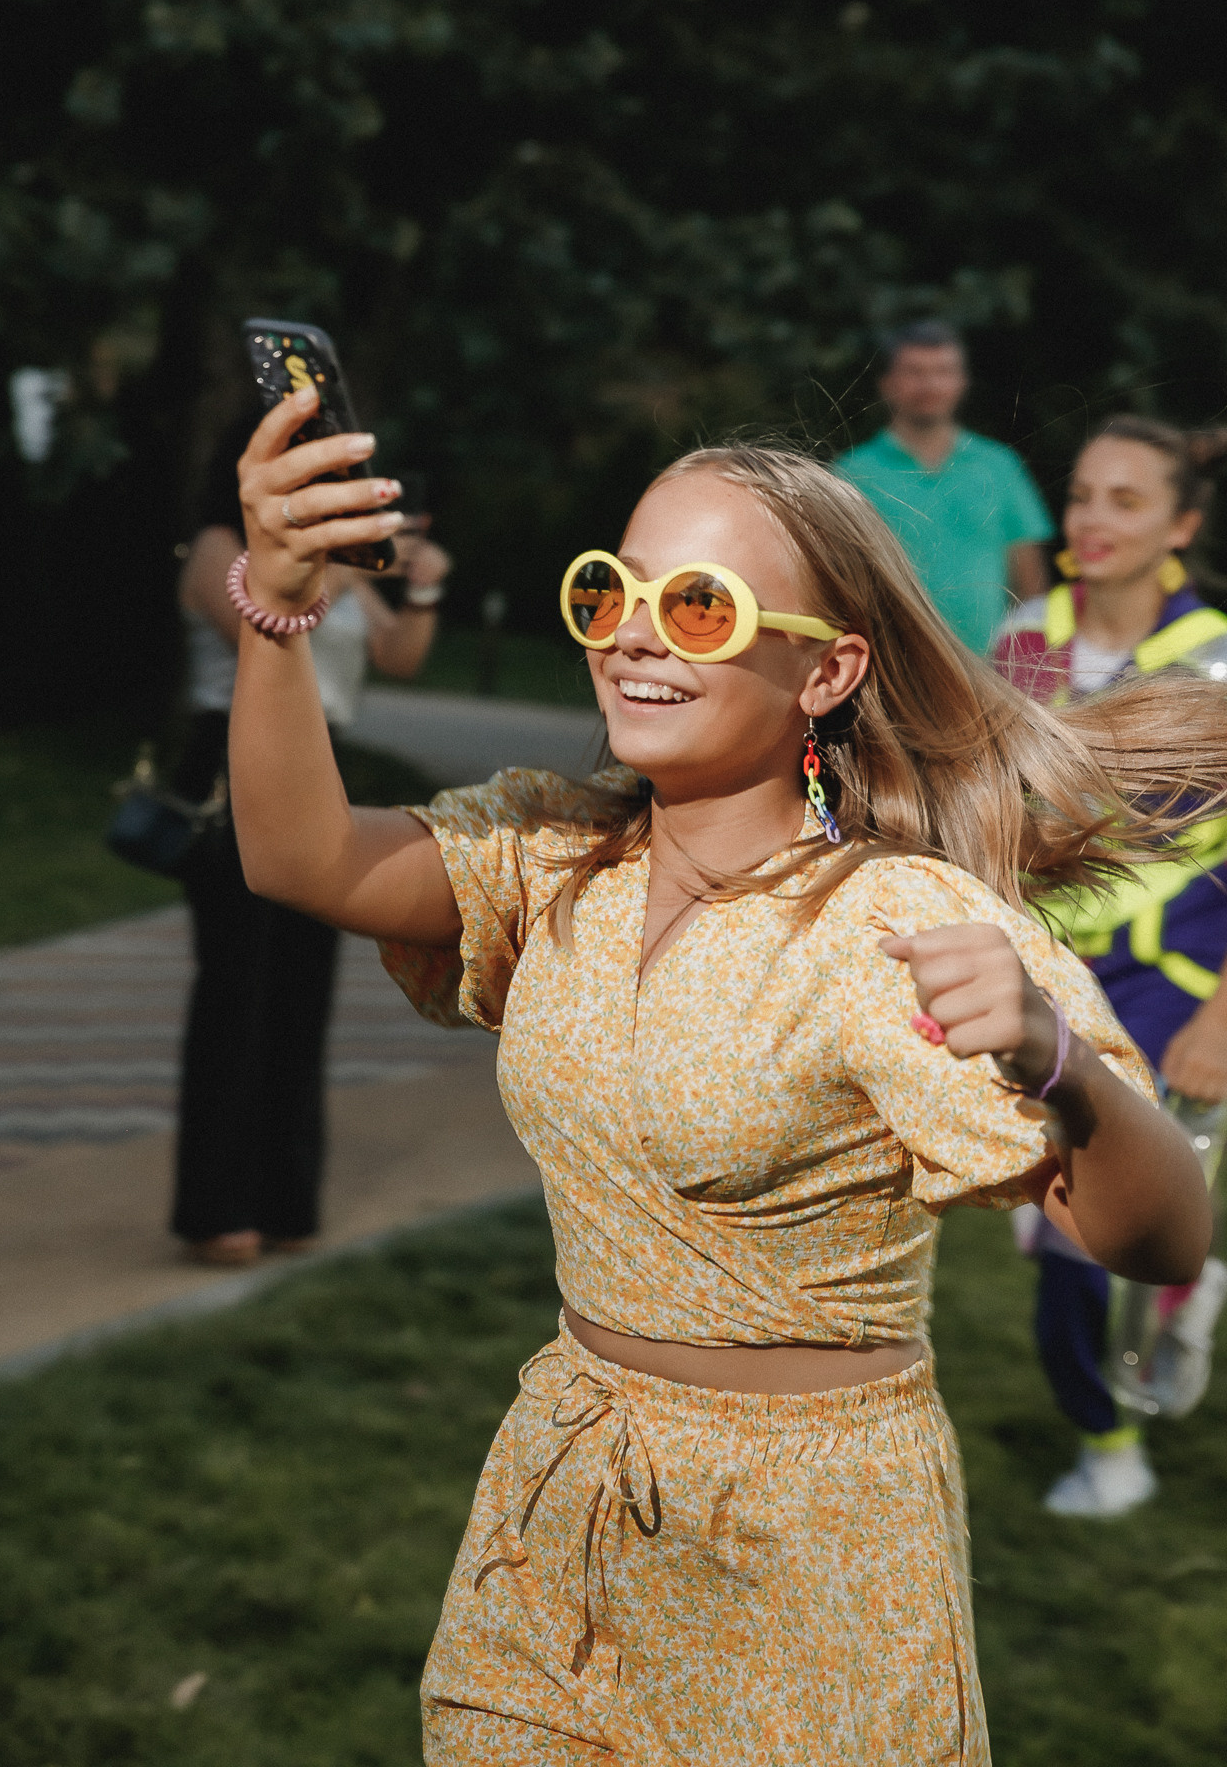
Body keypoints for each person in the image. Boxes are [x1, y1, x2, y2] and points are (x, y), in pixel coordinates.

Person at [225, 382, 1216, 1765]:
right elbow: (301, 858)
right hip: (561, 1513)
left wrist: (1065, 1070)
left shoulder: (889, 924)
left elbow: (1160, 1238)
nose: (633, 632)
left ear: (825, 672)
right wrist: (277, 607)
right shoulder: (554, 859)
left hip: (813, 1559)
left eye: (697, 606)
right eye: (609, 591)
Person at [994, 415, 1227, 1515]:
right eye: (1082, 494)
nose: (1090, 519)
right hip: (1033, 976)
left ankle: (1110, 1448)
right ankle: (1186, 1285)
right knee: (1045, 1218)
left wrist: (1223, 1014)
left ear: (1181, 525)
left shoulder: (1216, 658)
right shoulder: (1023, 640)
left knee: (1081, 1239)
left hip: (1166, 986)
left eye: (1125, 501)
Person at [171, 418, 452, 1265]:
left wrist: (422, 587)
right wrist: (348, 562)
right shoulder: (220, 546)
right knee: (236, 988)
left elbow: (400, 657)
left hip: (318, 767)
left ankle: (286, 1202)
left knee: (302, 988)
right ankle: (216, 1210)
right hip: (233, 763)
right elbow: (263, 626)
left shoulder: (340, 566)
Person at [835, 320, 1053, 652]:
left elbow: (1031, 585)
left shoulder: (999, 465)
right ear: (887, 383)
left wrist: (1030, 663)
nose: (931, 384)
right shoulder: (850, 474)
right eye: (915, 372)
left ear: (962, 382)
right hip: (890, 668)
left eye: (943, 371)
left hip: (991, 672)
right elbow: (836, 584)